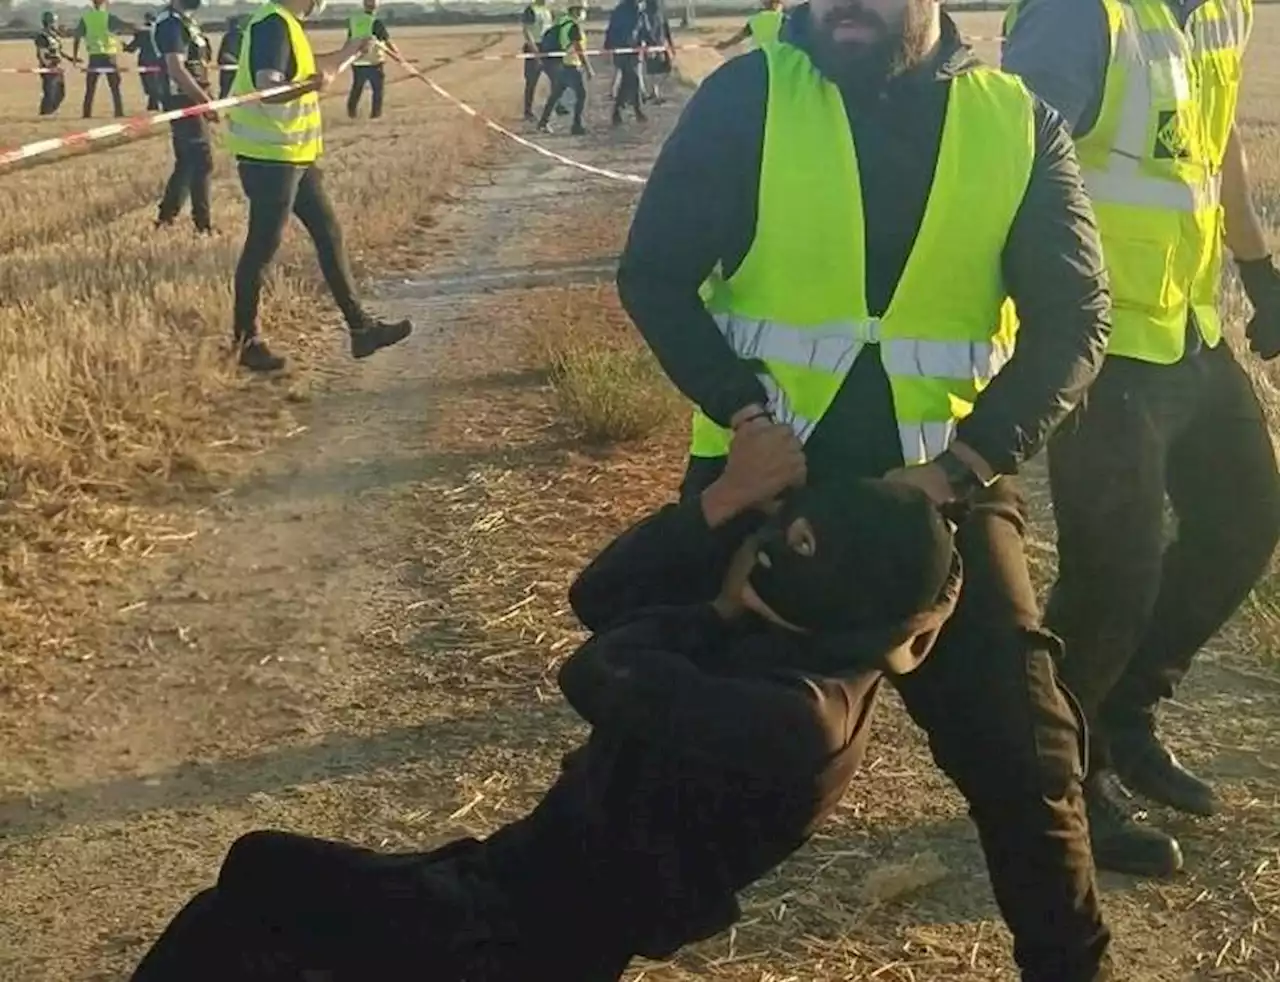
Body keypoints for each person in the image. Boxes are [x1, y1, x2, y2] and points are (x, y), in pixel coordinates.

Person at [616, 0, 1120, 975]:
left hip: (938, 503)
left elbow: (1074, 321)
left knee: (1030, 764)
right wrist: (743, 417)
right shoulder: (748, 96)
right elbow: (653, 274)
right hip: (768, 497)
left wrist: (958, 468)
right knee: (665, 768)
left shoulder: (1016, 122)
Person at [128, 466, 967, 982]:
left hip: (517, 942)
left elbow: (597, 668)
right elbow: (597, 601)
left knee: (254, 900)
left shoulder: (798, 719)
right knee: (264, 887)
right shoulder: (804, 647)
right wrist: (715, 507)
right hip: (503, 886)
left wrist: (715, 607)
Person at [1001, 0, 1280, 880]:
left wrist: (1258, 269)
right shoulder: (1080, 17)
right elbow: (1016, 168)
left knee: (1245, 521)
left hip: (1190, 329)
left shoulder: (1223, 10)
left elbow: (1216, 138)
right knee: (1114, 575)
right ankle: (1056, 776)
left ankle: (1123, 715)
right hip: (1101, 348)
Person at [224, 0, 413, 373]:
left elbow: (314, 69)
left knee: (330, 235)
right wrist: (310, 85)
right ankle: (247, 342)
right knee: (262, 247)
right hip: (270, 158)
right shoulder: (272, 25)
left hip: (295, 156)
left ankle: (361, 329)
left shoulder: (287, 23)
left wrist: (353, 48)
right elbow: (268, 88)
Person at [153, 0, 215, 234]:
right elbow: (176, 69)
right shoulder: (170, 24)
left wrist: (207, 95)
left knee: (189, 161)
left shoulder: (186, 22)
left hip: (192, 97)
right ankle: (203, 225)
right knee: (201, 160)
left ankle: (166, 217)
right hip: (181, 99)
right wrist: (204, 101)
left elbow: (197, 64)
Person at [536, 3, 592, 135]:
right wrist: (588, 68)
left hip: (562, 65)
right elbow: (579, 49)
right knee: (581, 95)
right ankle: (577, 125)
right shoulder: (574, 26)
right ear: (576, 11)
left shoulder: (563, 23)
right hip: (572, 65)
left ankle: (543, 122)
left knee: (555, 95)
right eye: (581, 10)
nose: (583, 13)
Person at [73, 0, 126, 118]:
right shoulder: (109, 17)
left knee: (90, 88)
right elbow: (126, 26)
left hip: (94, 56)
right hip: (109, 56)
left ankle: (86, 114)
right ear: (105, 3)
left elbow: (77, 37)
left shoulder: (86, 18)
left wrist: (75, 57)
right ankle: (119, 112)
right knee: (115, 88)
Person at [346, 0, 399, 120]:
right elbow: (387, 41)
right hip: (374, 61)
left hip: (357, 61)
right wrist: (398, 55)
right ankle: (375, 115)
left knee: (357, 88)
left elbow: (349, 40)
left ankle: (351, 112)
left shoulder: (355, 21)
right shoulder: (375, 22)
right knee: (377, 90)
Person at [605, 0, 646, 126]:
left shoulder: (639, 10)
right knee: (632, 79)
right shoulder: (621, 10)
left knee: (629, 81)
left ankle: (624, 111)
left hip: (633, 50)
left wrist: (648, 44)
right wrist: (610, 46)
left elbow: (644, 29)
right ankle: (630, 111)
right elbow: (612, 29)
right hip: (622, 49)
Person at [34, 11, 75, 117]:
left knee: (61, 93)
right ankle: (45, 113)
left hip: (57, 67)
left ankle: (51, 111)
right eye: (54, 22)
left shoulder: (54, 35)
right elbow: (41, 52)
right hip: (49, 67)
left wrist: (71, 58)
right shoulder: (42, 36)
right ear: (49, 22)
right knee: (50, 92)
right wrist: (47, 65)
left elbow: (58, 51)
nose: (56, 24)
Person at [520, 0, 556, 120]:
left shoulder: (548, 9)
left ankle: (557, 105)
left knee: (556, 77)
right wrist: (535, 52)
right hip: (535, 47)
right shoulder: (531, 10)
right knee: (532, 81)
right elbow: (527, 31)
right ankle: (528, 111)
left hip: (548, 46)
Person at [124, 12, 163, 111]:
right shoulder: (160, 30)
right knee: (156, 83)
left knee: (148, 84)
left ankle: (153, 104)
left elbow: (131, 49)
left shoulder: (142, 32)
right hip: (158, 60)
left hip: (144, 61)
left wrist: (124, 46)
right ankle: (153, 104)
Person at [716, 0, 786, 50]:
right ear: (777, 4)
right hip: (776, 57)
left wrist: (725, 44)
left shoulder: (754, 20)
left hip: (756, 55)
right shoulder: (784, 19)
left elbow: (739, 37)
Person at [639, 0, 672, 103]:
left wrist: (670, 44)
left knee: (667, 68)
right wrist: (648, 44)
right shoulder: (646, 13)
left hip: (661, 44)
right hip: (652, 44)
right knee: (652, 69)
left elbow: (666, 26)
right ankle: (653, 92)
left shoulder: (661, 11)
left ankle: (654, 90)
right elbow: (646, 29)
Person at [216, 15, 244, 99]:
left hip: (229, 69)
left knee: (225, 93)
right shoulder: (243, 35)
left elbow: (224, 54)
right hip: (239, 67)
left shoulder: (230, 36)